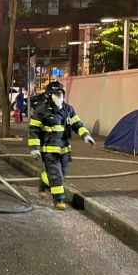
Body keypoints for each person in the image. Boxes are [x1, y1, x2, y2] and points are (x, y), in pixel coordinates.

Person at [29, 81, 95, 210]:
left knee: (62, 173)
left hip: (64, 150)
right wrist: (34, 148)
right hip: (49, 150)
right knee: (56, 175)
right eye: (57, 93)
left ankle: (43, 182)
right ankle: (58, 200)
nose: (60, 95)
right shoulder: (41, 111)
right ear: (49, 94)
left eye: (61, 93)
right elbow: (34, 131)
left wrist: (86, 136)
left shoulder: (68, 109)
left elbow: (77, 124)